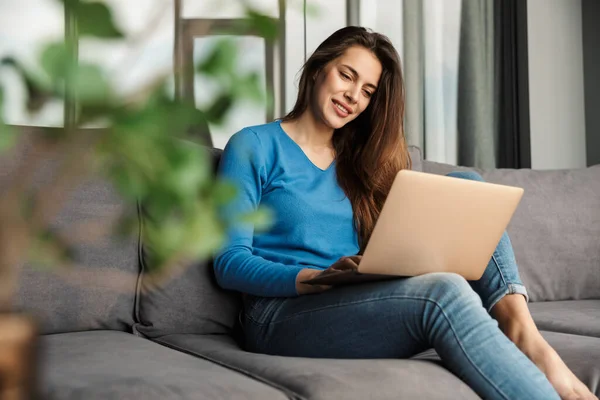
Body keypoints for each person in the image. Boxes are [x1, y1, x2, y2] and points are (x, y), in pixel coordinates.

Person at [214, 26, 596, 400]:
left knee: (468, 183)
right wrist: (313, 278)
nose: (353, 96)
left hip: (353, 300)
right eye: (347, 75)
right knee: (444, 291)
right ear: (317, 69)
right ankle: (536, 361)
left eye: (367, 91)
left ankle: (523, 330)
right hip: (279, 315)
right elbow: (229, 262)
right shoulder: (254, 145)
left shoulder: (358, 162)